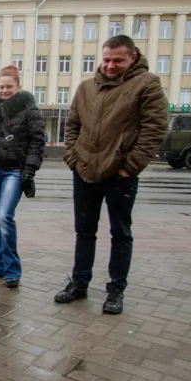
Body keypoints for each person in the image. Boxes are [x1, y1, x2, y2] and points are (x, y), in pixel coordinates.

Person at [55, 35, 169, 315]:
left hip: (120, 173)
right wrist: (72, 157)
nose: (110, 65)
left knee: (120, 232)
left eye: (117, 60)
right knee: (84, 231)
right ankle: (79, 284)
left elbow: (154, 128)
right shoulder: (85, 88)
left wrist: (129, 167)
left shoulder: (147, 84)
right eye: (106, 59)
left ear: (132, 57)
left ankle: (116, 291)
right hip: (84, 170)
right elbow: (72, 125)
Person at [0, 65, 45, 289]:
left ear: (18, 87)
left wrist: (30, 170)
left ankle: (12, 268)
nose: (5, 90)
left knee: (5, 217)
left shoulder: (29, 109)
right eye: (1, 87)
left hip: (15, 170)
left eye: (9, 86)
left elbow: (37, 141)